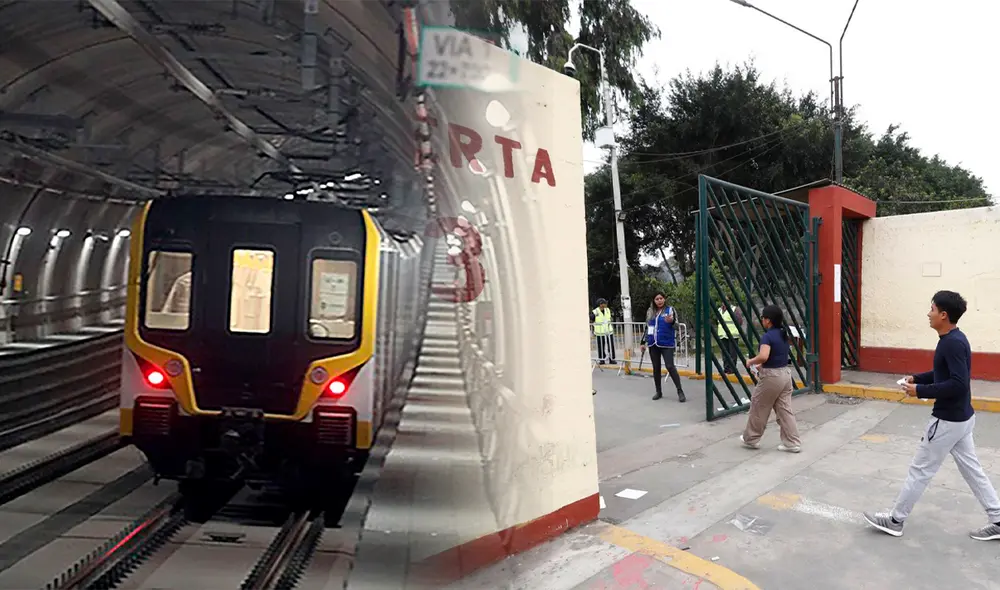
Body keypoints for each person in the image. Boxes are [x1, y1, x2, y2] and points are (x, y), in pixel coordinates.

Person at [863, 291, 1000, 541]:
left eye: (932, 309)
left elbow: (958, 383)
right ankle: (998, 519)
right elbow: (944, 373)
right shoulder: (953, 339)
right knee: (973, 470)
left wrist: (920, 391)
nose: (929, 314)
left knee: (920, 470)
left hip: (948, 420)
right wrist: (918, 378)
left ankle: (895, 520)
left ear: (943, 315)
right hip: (960, 418)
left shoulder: (952, 343)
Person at [740, 304, 801, 452]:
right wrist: (761, 367)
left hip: (772, 377)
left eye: (763, 318)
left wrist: (751, 361)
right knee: (784, 409)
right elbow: (777, 357)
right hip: (785, 375)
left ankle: (751, 439)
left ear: (768, 320)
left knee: (759, 405)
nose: (762, 320)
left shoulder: (767, 337)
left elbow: (764, 356)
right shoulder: (783, 333)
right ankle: (792, 442)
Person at [640, 292, 685, 402]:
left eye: (661, 298)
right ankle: (658, 391)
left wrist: (672, 321)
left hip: (666, 343)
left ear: (664, 299)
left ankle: (680, 391)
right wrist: (643, 342)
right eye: (657, 299)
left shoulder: (670, 310)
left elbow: (676, 326)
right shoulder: (651, 312)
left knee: (670, 366)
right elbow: (648, 327)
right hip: (653, 343)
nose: (659, 301)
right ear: (654, 301)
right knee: (656, 368)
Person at [592, 298, 616, 365]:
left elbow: (609, 318)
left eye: (604, 303)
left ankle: (612, 359)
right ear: (600, 304)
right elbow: (591, 319)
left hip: (608, 330)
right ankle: (602, 359)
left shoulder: (607, 310)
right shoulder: (595, 311)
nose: (604, 305)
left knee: (611, 346)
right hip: (600, 332)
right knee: (600, 346)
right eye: (603, 304)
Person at [717, 304, 740, 374]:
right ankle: (726, 368)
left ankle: (732, 369)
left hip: (732, 334)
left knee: (732, 353)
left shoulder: (734, 309)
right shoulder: (719, 310)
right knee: (725, 353)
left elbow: (739, 321)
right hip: (722, 334)